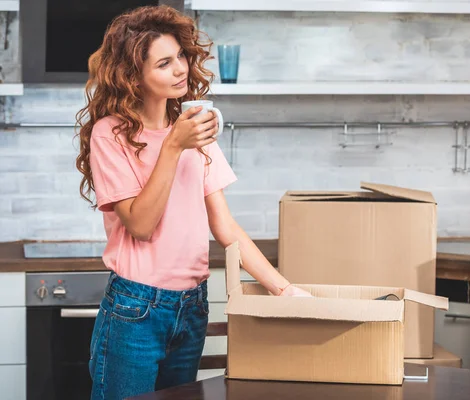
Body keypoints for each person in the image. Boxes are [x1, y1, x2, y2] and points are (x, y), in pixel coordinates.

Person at [75, 5, 311, 399]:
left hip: (193, 305)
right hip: (136, 309)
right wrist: (173, 147)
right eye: (164, 63)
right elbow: (140, 224)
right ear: (134, 76)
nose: (181, 68)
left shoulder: (195, 130)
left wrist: (284, 290)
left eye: (180, 56)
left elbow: (225, 226)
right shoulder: (110, 135)